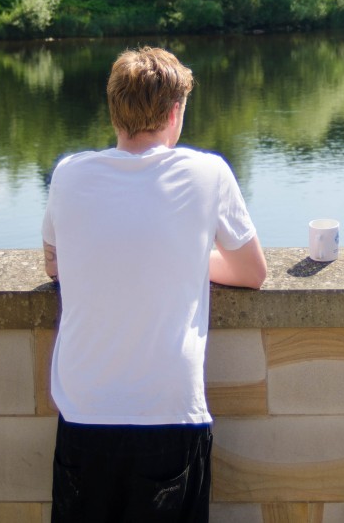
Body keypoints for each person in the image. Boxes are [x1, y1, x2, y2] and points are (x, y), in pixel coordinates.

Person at [42, 46, 267, 522]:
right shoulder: (208, 173)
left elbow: (54, 265)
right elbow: (252, 273)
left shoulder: (68, 174)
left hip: (85, 411)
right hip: (169, 412)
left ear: (114, 111)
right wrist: (182, 256)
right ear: (174, 112)